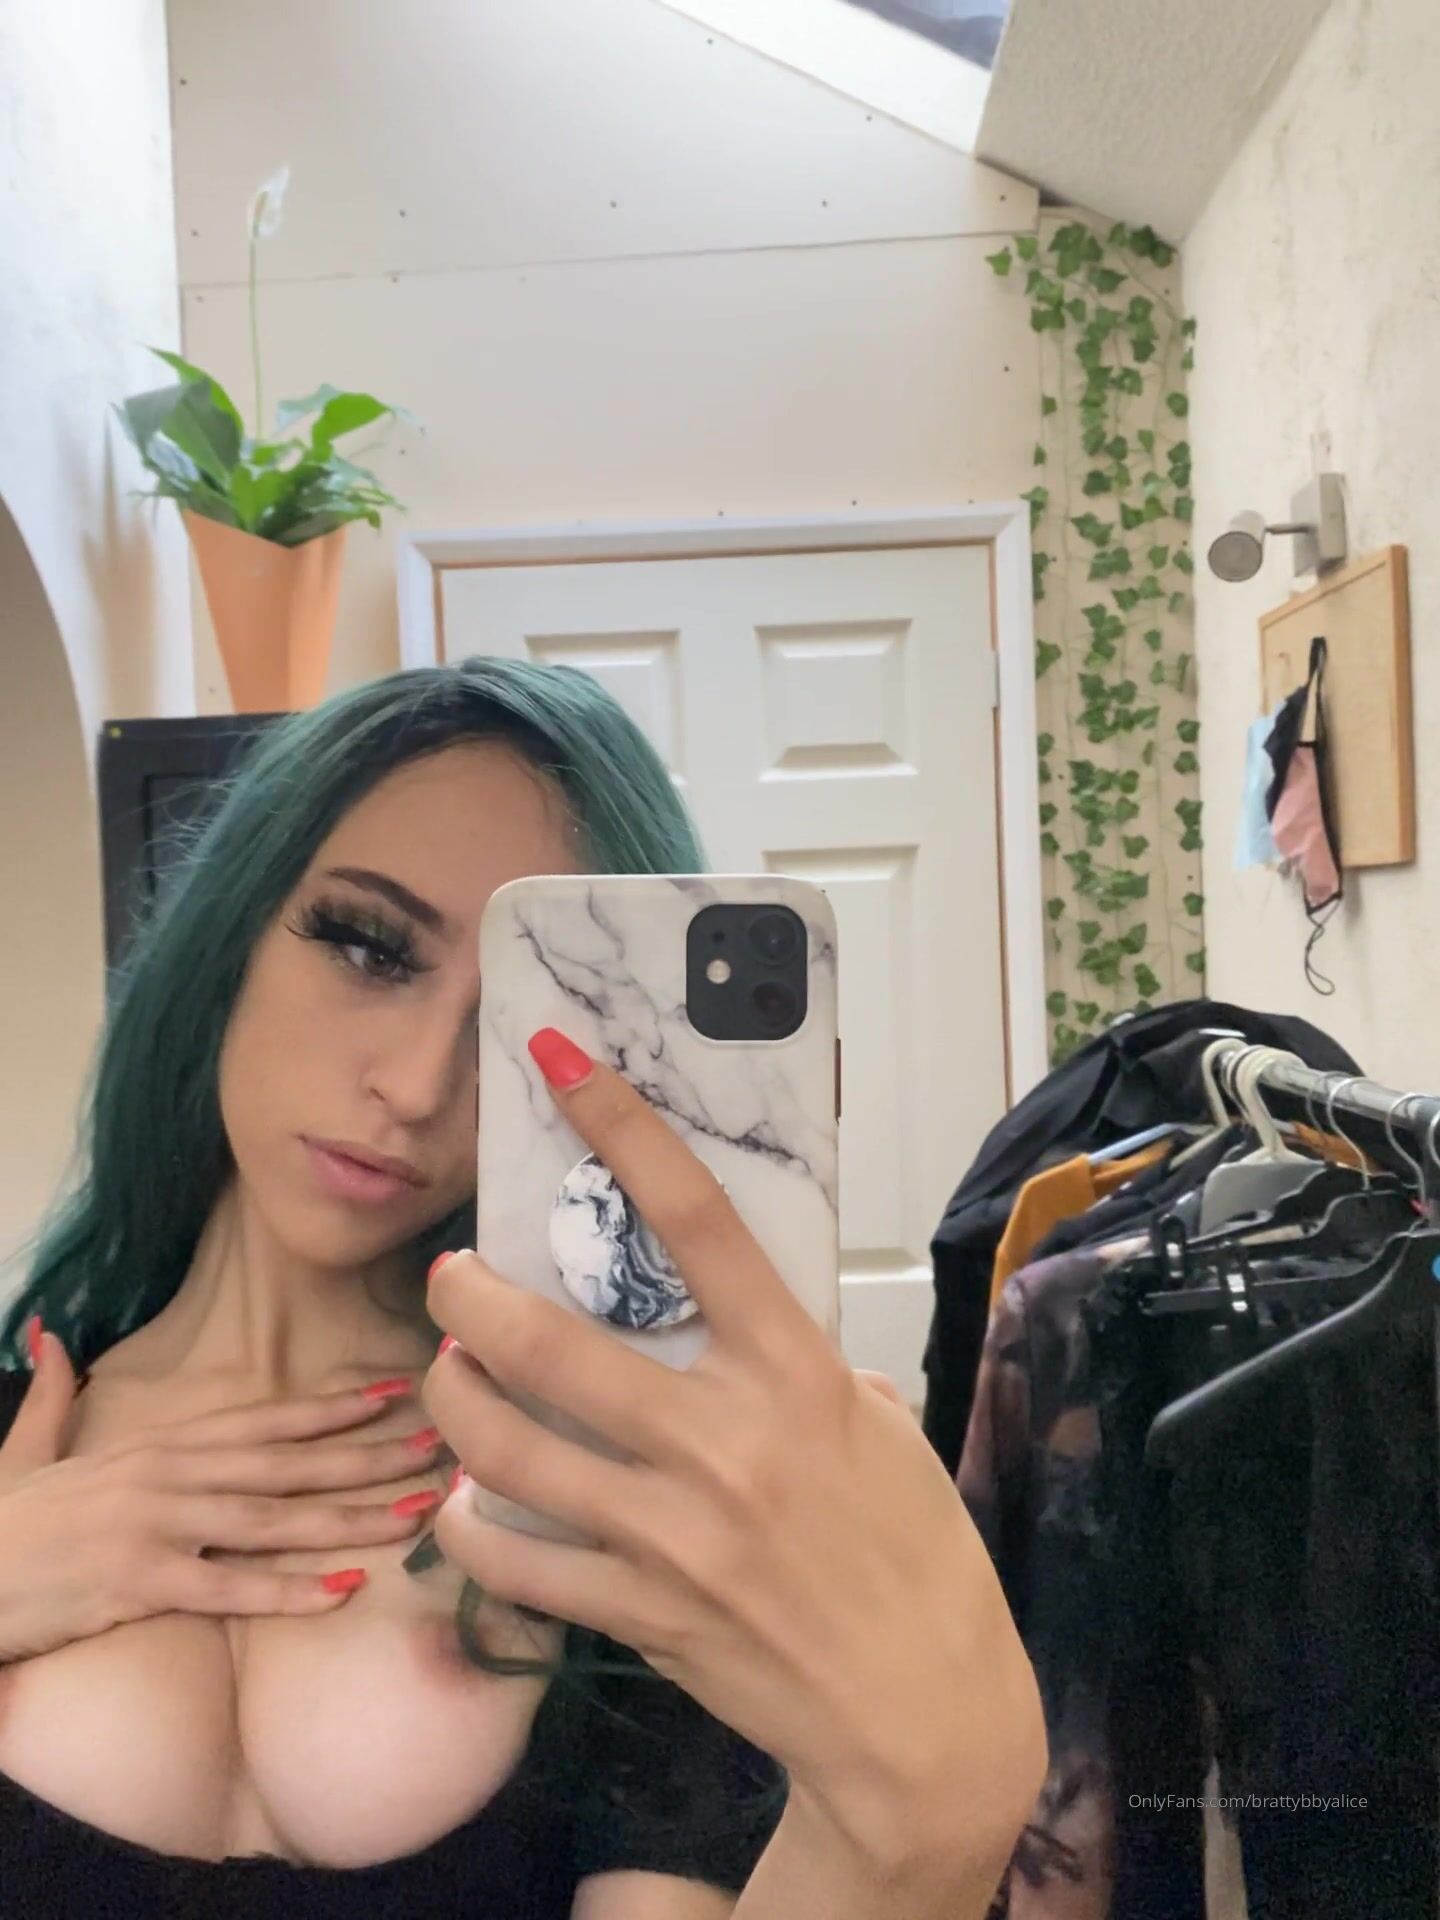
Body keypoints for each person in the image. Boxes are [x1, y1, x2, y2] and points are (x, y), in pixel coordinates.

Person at [0, 658, 1044, 1919]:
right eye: (370, 947)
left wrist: (914, 1833)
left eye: (519, 1027)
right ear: (227, 937)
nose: (416, 1086)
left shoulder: (607, 1494)